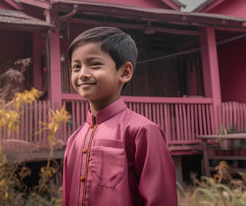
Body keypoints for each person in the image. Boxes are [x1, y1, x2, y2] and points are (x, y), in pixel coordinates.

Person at [62, 27, 177, 206]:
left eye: (94, 64)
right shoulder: (74, 140)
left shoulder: (143, 131)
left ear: (124, 72)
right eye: (76, 66)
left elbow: (161, 200)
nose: (82, 73)